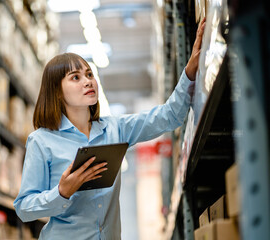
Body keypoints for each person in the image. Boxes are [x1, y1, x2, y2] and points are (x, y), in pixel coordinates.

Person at [14, 18, 206, 239]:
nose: (88, 81)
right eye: (75, 77)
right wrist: (61, 192)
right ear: (56, 92)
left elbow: (169, 116)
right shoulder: (42, 141)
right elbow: (24, 208)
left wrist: (189, 73)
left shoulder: (115, 130)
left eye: (89, 74)